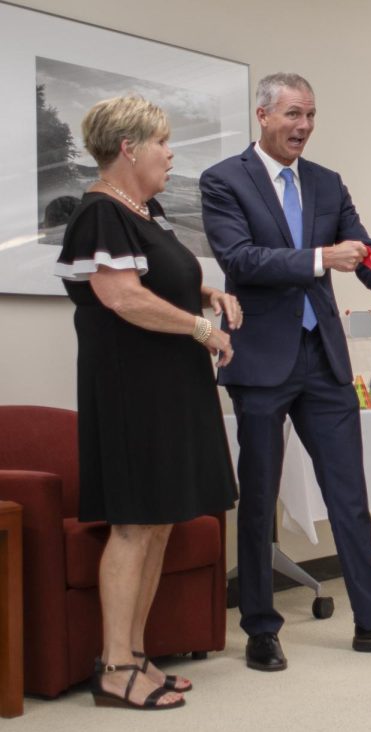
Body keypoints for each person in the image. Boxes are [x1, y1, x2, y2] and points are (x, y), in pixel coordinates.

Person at [200, 72, 371, 669]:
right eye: (292, 115)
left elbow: (362, 248)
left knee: (349, 495)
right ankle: (259, 626)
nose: (303, 126)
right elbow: (239, 260)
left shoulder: (327, 183)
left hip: (324, 359)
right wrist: (317, 259)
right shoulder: (224, 180)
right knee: (258, 500)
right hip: (260, 360)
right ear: (263, 115)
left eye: (310, 116)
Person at [55, 95, 239, 709]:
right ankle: (112, 667)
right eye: (162, 142)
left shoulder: (145, 212)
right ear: (129, 148)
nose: (170, 152)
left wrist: (205, 292)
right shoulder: (99, 214)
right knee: (134, 525)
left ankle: (136, 655)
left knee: (160, 521)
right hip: (133, 390)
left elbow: (156, 278)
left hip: (169, 385)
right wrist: (198, 327)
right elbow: (123, 299)